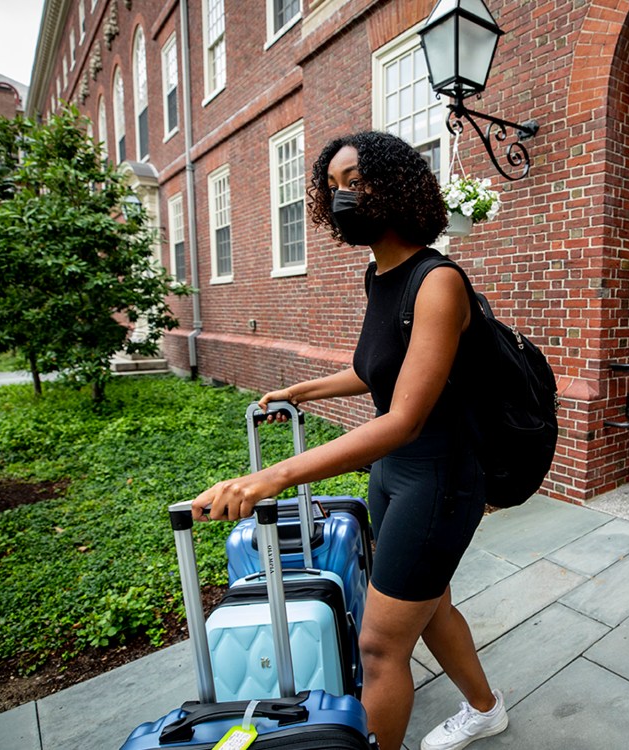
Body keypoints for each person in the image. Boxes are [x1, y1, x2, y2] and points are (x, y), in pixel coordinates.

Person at [189, 131, 507, 750]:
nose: (343, 197)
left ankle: (458, 716)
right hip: (395, 477)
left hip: (439, 479)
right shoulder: (379, 278)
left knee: (380, 645)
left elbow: (403, 418)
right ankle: (486, 708)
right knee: (430, 603)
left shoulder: (438, 281)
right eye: (333, 187)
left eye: (355, 181)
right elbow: (374, 369)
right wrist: (300, 392)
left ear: (396, 185)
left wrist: (275, 476)